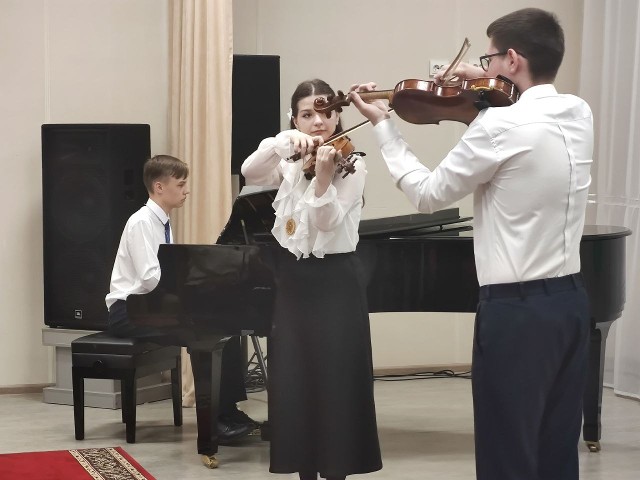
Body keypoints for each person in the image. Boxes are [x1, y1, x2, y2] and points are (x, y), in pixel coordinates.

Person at [350, 8, 593, 480]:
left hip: (516, 313)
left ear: (513, 60)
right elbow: (508, 128)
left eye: (491, 58)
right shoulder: (577, 112)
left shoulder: (498, 128)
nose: (486, 68)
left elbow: (427, 194)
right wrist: (479, 80)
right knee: (557, 452)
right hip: (571, 304)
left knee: (507, 456)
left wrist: (384, 127)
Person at [241, 79, 382, 480]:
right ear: (295, 119)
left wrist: (322, 180)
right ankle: (303, 470)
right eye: (307, 115)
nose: (318, 122)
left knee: (335, 379)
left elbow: (326, 223)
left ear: (337, 116)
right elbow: (249, 171)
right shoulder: (288, 160)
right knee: (294, 377)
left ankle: (337, 470)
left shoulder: (352, 163)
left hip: (336, 282)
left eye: (326, 113)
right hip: (293, 279)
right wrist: (282, 141)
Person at [105, 154, 256, 444]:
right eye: (181, 184)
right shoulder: (141, 222)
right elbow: (150, 279)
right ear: (159, 187)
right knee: (205, 332)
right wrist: (189, 293)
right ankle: (214, 422)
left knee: (227, 327)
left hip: (150, 306)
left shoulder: (161, 221)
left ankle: (229, 411)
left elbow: (166, 274)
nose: (187, 191)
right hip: (128, 311)